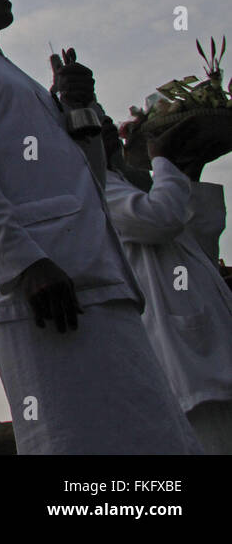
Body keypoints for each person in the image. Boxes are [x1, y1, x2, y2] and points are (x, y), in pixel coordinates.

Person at [0, 0, 201, 453]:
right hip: (41, 288)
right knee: (74, 439)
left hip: (89, 275)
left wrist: (77, 110)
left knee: (152, 439)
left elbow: (86, 179)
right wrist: (24, 263)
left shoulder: (2, 70)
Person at [104, 116, 232, 453]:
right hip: (190, 372)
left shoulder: (139, 187)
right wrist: (165, 160)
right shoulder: (94, 184)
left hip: (212, 361)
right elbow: (158, 219)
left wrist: (186, 171)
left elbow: (202, 247)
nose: (109, 128)